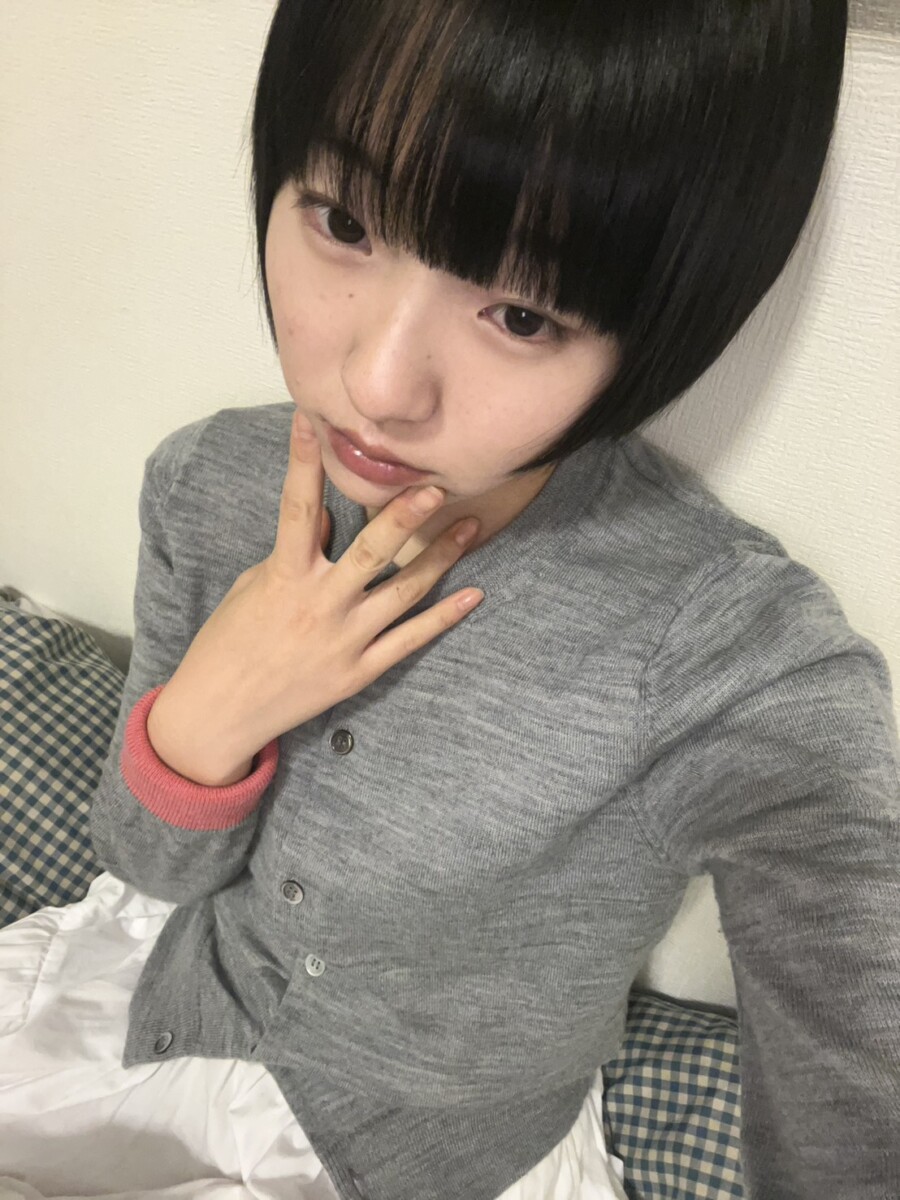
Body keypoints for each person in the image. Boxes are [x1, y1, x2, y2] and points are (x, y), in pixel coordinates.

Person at [1, 0, 898, 1198]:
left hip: (444, 1156)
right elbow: (148, 864)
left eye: (521, 314)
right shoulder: (210, 483)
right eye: (345, 221)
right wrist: (218, 708)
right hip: (161, 1024)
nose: (377, 383)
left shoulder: (721, 650)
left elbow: (856, 1055)